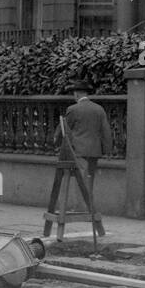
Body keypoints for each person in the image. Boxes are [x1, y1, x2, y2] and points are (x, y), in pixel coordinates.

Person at [58, 81, 112, 235]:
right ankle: (92, 213)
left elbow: (65, 130)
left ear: (76, 94)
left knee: (82, 182)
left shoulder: (73, 109)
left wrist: (56, 142)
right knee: (89, 180)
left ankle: (89, 211)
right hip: (94, 151)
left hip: (78, 152)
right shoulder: (99, 109)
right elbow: (106, 131)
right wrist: (108, 151)